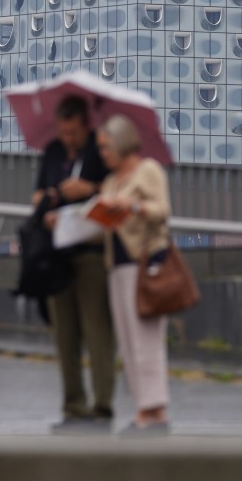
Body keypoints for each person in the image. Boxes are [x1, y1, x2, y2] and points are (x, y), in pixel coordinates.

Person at [33, 95, 114, 431]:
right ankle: (73, 405)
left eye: (74, 133)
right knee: (64, 334)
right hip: (57, 253)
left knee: (97, 332)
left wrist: (88, 188)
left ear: (86, 126)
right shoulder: (52, 151)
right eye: (64, 132)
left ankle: (102, 406)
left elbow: (114, 192)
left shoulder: (100, 149)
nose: (68, 139)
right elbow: (37, 194)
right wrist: (51, 201)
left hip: (90, 251)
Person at [94, 113, 173, 435]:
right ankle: (145, 408)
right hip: (118, 266)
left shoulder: (148, 170)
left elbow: (162, 211)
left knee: (147, 339)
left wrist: (133, 206)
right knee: (128, 340)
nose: (103, 153)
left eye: (106, 147)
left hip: (147, 263)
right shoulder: (110, 182)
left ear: (121, 142)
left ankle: (155, 412)